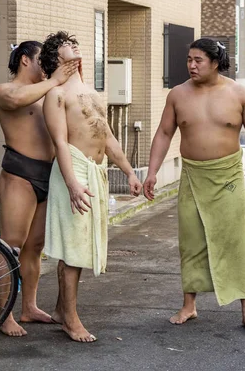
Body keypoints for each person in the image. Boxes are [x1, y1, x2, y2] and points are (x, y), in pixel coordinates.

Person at [143, 38, 245, 331]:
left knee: (236, 240)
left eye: (198, 60)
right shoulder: (177, 95)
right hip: (192, 175)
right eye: (189, 59)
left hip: (228, 176)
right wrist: (152, 172)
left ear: (215, 62)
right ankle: (189, 305)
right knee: (192, 240)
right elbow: (164, 133)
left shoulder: (239, 94)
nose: (191, 65)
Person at [40, 31, 143, 343]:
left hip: (95, 171)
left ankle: (61, 309)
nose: (75, 48)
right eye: (68, 46)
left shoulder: (91, 91)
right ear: (57, 58)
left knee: (81, 246)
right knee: (74, 248)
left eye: (74, 45)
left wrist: (129, 172)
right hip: (74, 171)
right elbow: (59, 141)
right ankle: (71, 320)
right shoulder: (55, 94)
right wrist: (72, 184)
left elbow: (107, 135)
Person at [0, 41, 79, 337]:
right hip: (20, 173)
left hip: (48, 174)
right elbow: (17, 100)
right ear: (25, 61)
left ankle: (28, 307)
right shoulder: (5, 90)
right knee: (10, 246)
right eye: (42, 59)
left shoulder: (48, 94)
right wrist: (55, 80)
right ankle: (5, 316)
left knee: (34, 248)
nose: (47, 66)